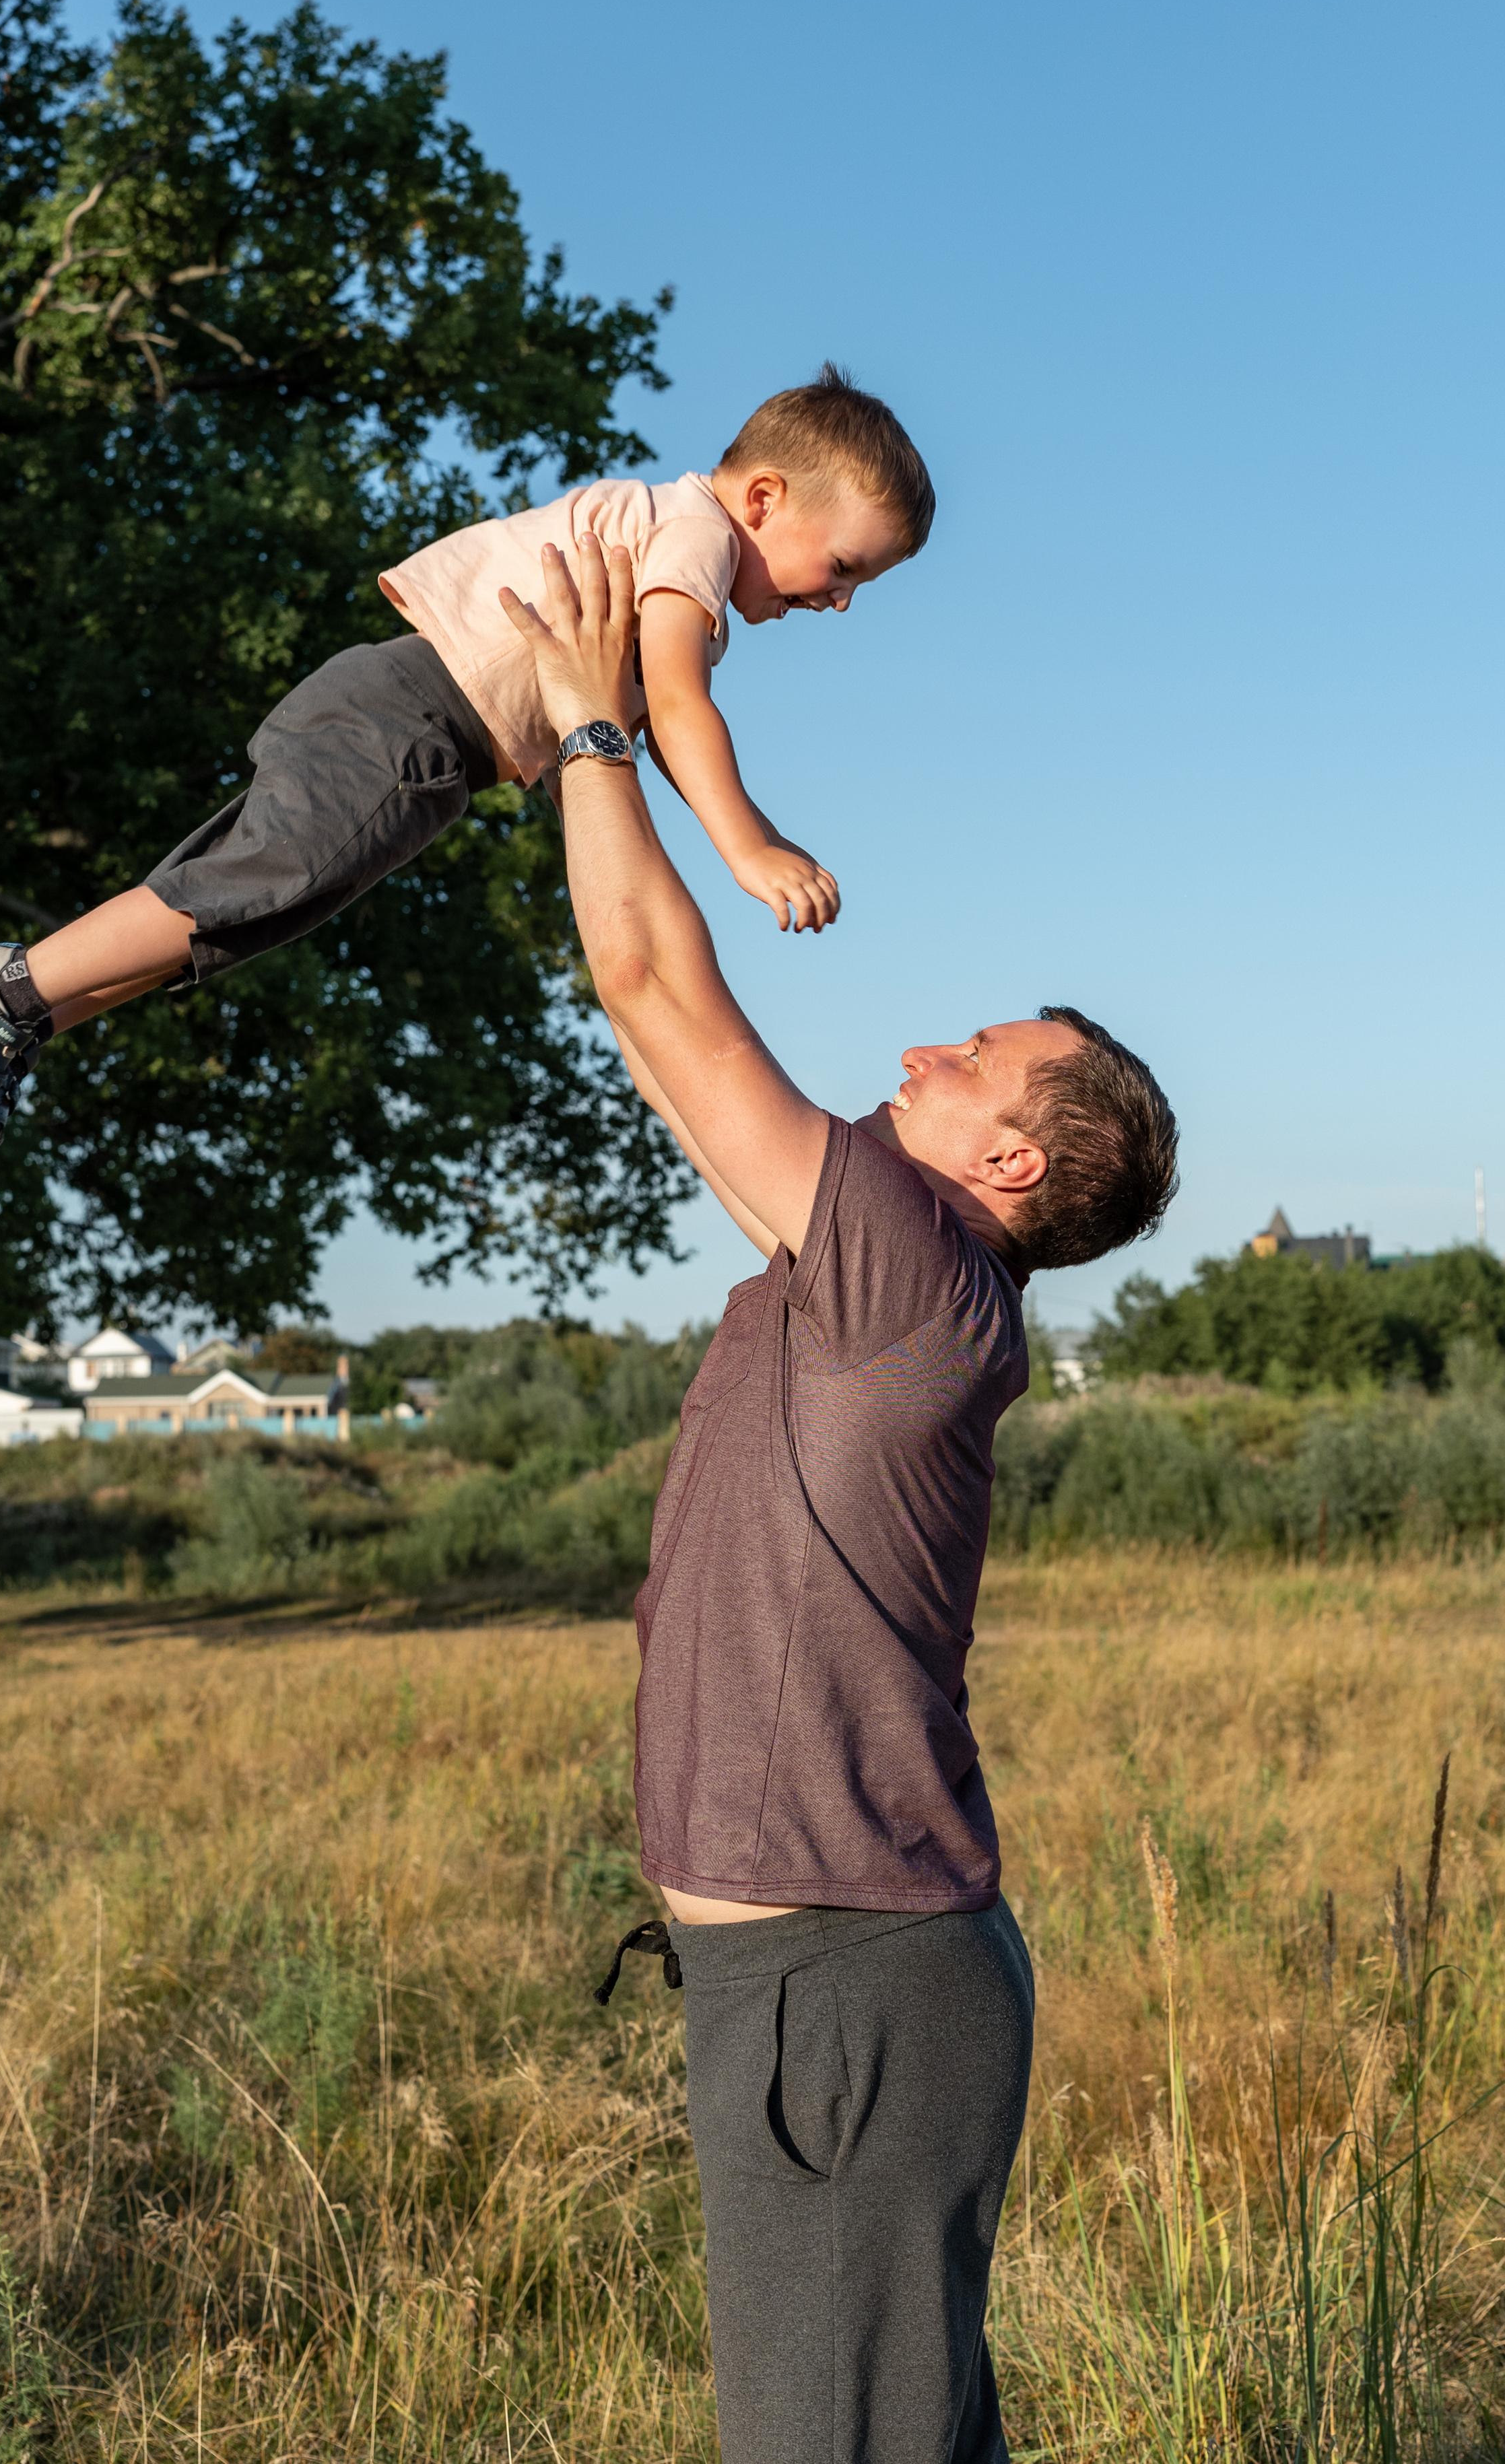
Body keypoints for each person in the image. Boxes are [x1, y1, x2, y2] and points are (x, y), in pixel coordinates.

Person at [500, 533, 1180, 2464]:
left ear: (1019, 1157)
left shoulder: (910, 1267)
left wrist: (583, 727)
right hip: (820, 1984)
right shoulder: (877, 1286)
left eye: (968, 1056)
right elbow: (649, 1026)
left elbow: (653, 969)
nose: (915, 1049)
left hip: (846, 1989)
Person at [0, 364, 931, 1157]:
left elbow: (645, 732)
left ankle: (21, 1018)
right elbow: (676, 705)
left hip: (422, 738)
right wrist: (750, 849)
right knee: (254, 883)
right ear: (763, 497)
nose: (838, 599)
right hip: (411, 716)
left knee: (252, 909)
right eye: (842, 567)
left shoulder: (682, 557)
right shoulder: (695, 536)